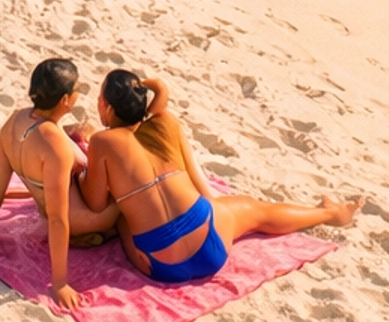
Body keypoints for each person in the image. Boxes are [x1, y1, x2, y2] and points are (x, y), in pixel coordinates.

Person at [79, 69, 358, 289]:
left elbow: (95, 203)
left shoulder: (103, 141)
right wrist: (157, 88)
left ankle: (329, 212)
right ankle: (331, 213)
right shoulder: (166, 124)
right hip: (211, 244)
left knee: (122, 216)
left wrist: (83, 171)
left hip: (161, 264)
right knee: (258, 210)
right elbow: (158, 110)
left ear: (107, 106)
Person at [0, 58, 120, 311]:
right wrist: (60, 282)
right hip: (80, 217)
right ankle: (96, 233)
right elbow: (58, 219)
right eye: (76, 91)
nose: (77, 95)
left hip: (48, 200)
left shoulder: (15, 120)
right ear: (65, 100)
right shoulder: (55, 147)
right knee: (126, 196)